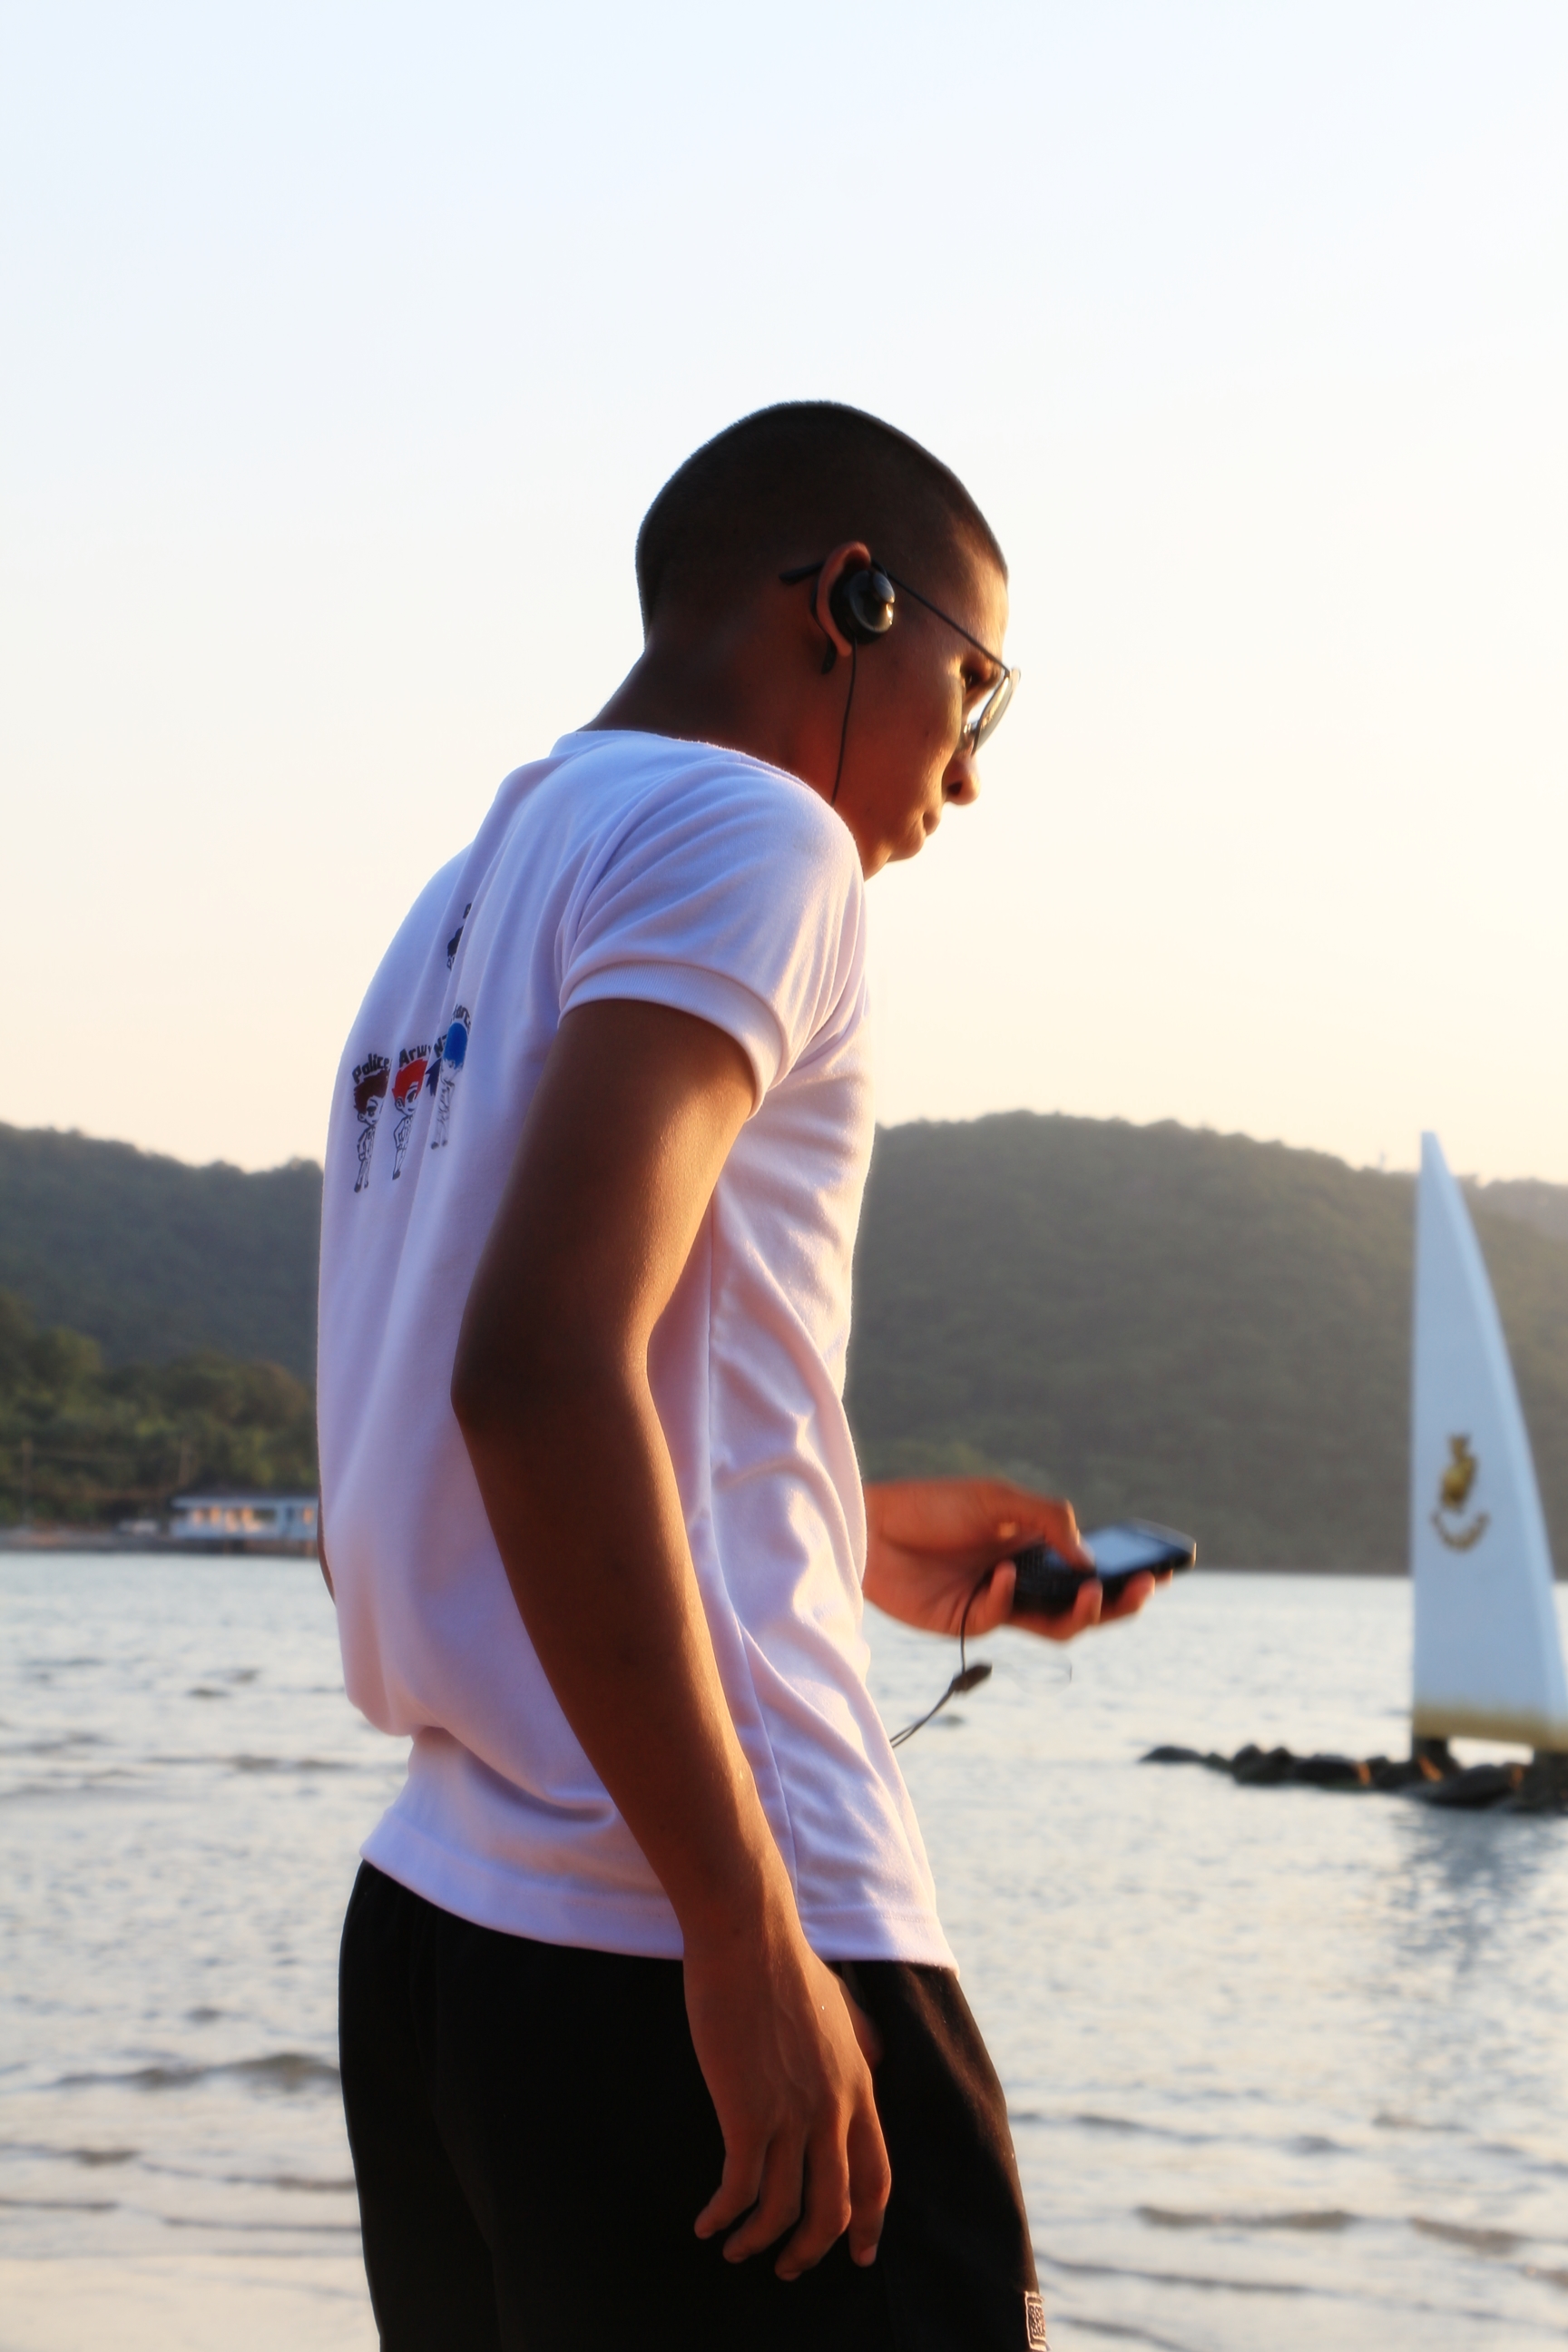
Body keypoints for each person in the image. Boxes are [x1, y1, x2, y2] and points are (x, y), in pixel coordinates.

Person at [316, 401, 1162, 2352]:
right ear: (847, 603)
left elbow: (435, 1454)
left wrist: (844, 1538)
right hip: (678, 1934)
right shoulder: (755, 835)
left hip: (444, 1947)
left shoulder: (452, 913)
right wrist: (738, 1923)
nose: (969, 768)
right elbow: (539, 1377)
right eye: (978, 685)